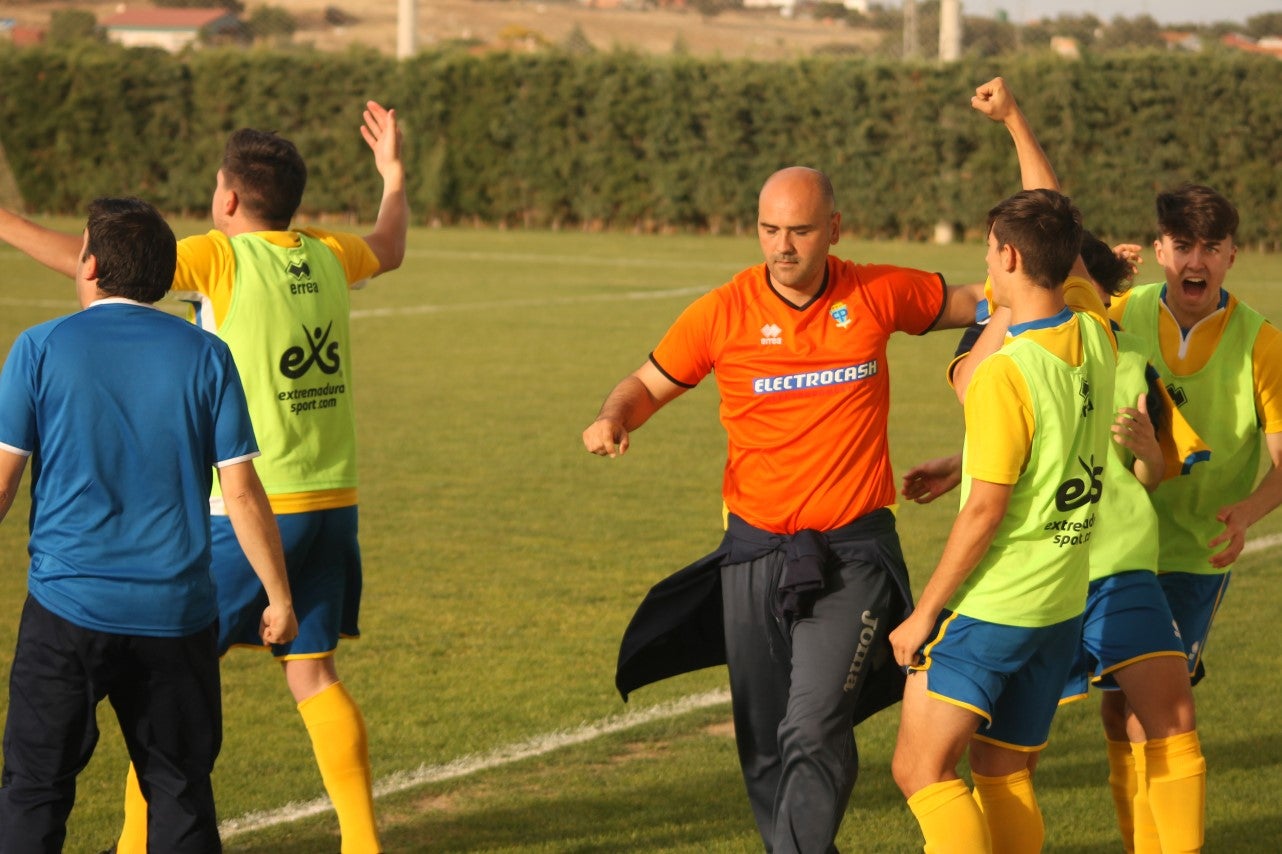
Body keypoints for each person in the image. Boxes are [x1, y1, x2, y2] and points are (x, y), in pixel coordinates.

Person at [0, 101, 407, 854]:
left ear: (226, 200)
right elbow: (390, 245)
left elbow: (106, 268)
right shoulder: (324, 251)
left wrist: (4, 219)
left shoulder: (220, 257)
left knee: (157, 700)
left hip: (247, 512)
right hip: (332, 503)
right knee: (313, 675)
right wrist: (391, 175)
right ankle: (363, 844)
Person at [583, 164, 983, 852]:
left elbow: (983, 301)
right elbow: (646, 384)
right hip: (755, 553)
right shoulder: (722, 311)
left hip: (853, 554)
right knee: (767, 748)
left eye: (799, 230)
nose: (783, 246)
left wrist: (1070, 281)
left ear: (833, 228)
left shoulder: (877, 292)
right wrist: (613, 417)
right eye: (769, 230)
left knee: (814, 725)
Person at [0, 197, 297, 853]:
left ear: (93, 264)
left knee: (35, 792)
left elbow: (2, 484)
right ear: (164, 277)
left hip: (66, 613)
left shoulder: (38, 349)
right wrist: (278, 596)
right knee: (181, 794)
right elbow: (242, 493)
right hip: (177, 618)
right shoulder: (207, 356)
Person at [906, 230, 1210, 853]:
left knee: (1165, 722)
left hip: (1074, 574)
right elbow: (1039, 446)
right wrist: (963, 460)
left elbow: (1146, 472)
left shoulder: (1112, 357)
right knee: (1006, 767)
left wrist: (1151, 455)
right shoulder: (1084, 348)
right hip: (1062, 581)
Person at [1107, 183, 1282, 849]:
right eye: (1183, 246)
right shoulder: (1122, 313)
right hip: (1119, 544)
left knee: (1157, 713)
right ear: (1160, 252)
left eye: (1211, 247)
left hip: (1191, 555)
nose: (1195, 261)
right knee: (1119, 706)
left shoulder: (1262, 344)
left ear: (1233, 254)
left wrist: (1247, 512)